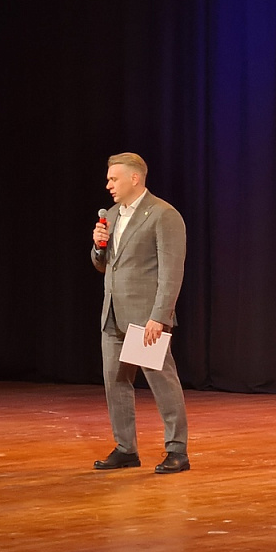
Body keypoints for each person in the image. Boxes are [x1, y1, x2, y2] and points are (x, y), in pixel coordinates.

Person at [90, 152, 190, 474]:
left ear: (134, 178)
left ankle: (177, 450)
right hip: (113, 314)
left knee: (161, 382)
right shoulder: (113, 215)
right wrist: (98, 246)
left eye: (113, 179)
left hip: (145, 318)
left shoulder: (163, 214)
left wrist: (159, 316)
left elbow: (171, 272)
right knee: (115, 382)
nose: (108, 185)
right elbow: (105, 265)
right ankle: (126, 449)